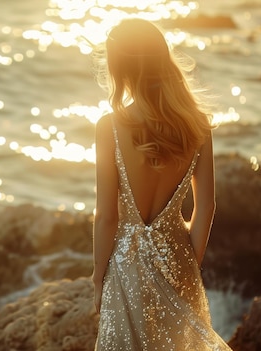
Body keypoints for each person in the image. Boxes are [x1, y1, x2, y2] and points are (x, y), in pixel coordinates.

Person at [91, 19, 232, 350]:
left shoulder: (109, 127)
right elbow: (206, 206)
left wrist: (98, 277)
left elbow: (106, 216)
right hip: (178, 259)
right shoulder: (197, 126)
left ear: (119, 68)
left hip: (126, 266)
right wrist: (190, 262)